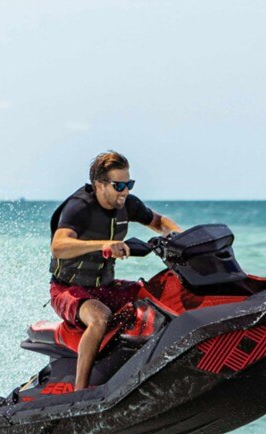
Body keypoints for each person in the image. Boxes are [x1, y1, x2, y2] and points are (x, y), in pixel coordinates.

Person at [49, 151, 182, 391]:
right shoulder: (79, 207)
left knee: (159, 293)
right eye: (118, 185)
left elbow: (159, 221)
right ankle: (81, 392)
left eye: (129, 184)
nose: (125, 191)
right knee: (100, 318)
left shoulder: (128, 204)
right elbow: (58, 246)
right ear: (99, 184)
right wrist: (104, 245)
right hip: (68, 290)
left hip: (106, 287)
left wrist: (180, 237)